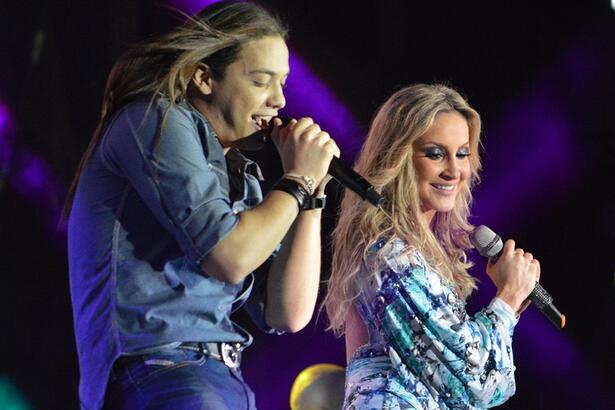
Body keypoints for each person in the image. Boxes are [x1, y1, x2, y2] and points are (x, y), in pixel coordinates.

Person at [65, 1, 339, 409]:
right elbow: (229, 256)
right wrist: (297, 181)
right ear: (204, 78)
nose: (280, 100)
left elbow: (288, 312)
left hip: (220, 378)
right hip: (163, 373)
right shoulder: (153, 119)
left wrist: (312, 192)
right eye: (262, 81)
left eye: (283, 83)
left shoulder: (238, 174)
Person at [323, 84, 540, 409]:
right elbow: (476, 380)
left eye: (463, 153)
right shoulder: (390, 256)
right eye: (435, 153)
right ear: (398, 156)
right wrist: (507, 299)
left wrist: (509, 306)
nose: (454, 170)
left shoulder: (411, 254)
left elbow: (493, 388)